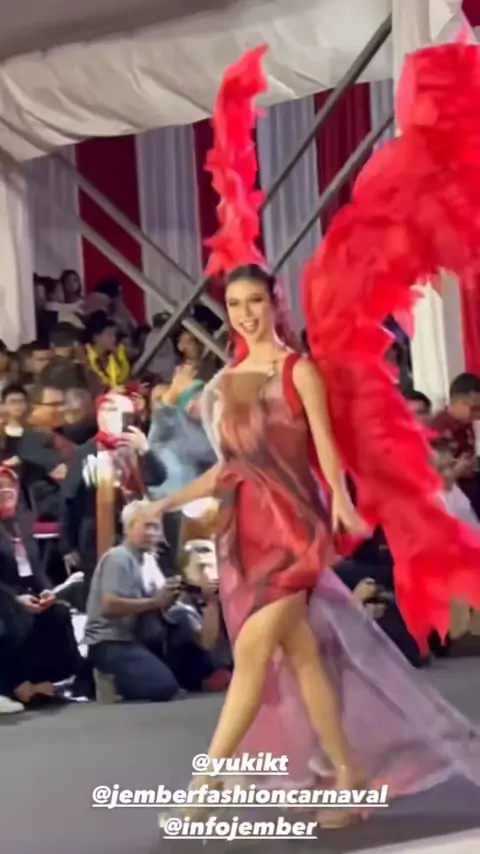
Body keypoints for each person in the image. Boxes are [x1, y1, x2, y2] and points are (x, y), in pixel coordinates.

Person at [156, 44, 480, 830]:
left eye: (255, 302)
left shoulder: (298, 370)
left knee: (255, 653)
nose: (245, 314)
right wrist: (157, 506)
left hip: (296, 530)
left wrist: (338, 503)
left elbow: (326, 452)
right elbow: (229, 470)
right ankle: (347, 777)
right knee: (300, 658)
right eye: (234, 305)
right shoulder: (223, 384)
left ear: (272, 303)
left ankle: (204, 790)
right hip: (244, 532)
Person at [85, 501, 222, 701]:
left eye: (156, 527)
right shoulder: (119, 558)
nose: (152, 533)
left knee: (180, 618)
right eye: (146, 526)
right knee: (163, 688)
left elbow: (163, 605)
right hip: (111, 642)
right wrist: (156, 602)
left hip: (141, 637)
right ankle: (109, 679)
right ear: (128, 528)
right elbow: (108, 607)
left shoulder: (149, 560)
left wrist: (206, 600)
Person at [0, 466, 84, 706]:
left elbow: (36, 569)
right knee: (16, 622)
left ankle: (62, 679)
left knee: (58, 613)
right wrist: (15, 599)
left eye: (9, 486)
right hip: (4, 596)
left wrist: (48, 591)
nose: (5, 491)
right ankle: (14, 685)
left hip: (26, 593)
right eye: (0, 487)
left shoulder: (23, 522)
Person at [431, 372, 480, 516]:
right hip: (452, 491)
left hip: (469, 481)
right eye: (474, 408)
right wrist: (458, 469)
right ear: (457, 403)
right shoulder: (440, 426)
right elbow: (437, 477)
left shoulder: (465, 422)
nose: (478, 414)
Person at [84, 311, 130, 391]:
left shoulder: (113, 354)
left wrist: (119, 358)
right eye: (109, 335)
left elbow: (122, 378)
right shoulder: (84, 355)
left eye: (115, 335)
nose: (114, 339)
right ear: (96, 337)